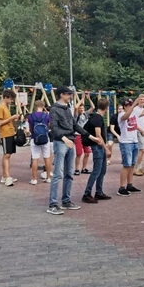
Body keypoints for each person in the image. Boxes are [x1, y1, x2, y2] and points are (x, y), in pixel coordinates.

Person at [47, 86, 103, 215]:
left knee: (69, 173)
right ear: (61, 95)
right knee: (58, 174)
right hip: (61, 143)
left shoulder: (67, 109)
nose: (70, 96)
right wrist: (64, 138)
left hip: (70, 142)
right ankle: (53, 204)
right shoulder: (54, 109)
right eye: (68, 94)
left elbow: (74, 125)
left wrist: (91, 137)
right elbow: (54, 127)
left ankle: (66, 201)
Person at [118, 95, 144, 196]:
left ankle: (130, 185)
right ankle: (121, 187)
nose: (130, 106)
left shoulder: (134, 113)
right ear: (124, 106)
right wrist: (133, 105)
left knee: (132, 165)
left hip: (134, 141)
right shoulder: (121, 114)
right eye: (128, 105)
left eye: (130, 104)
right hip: (126, 142)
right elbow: (125, 117)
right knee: (126, 165)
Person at [81, 97, 112, 204]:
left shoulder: (95, 117)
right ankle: (87, 193)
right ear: (106, 107)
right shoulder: (97, 119)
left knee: (102, 170)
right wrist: (106, 148)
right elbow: (98, 135)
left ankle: (99, 192)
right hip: (97, 147)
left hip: (98, 147)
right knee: (96, 171)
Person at [0, 90, 21, 186]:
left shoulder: (5, 107)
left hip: (10, 133)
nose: (11, 101)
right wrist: (11, 118)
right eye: (11, 99)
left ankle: (5, 176)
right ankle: (7, 177)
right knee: (7, 155)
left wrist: (13, 119)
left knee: (8, 155)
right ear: (6, 97)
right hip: (5, 134)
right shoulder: (0, 108)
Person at [26, 100, 52, 185]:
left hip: (34, 138)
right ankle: (48, 177)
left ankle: (34, 179)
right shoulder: (46, 116)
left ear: (35, 106)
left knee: (35, 158)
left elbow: (29, 130)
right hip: (45, 138)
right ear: (43, 106)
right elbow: (49, 126)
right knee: (47, 158)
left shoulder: (30, 116)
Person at [73, 92, 95, 176]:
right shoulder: (76, 115)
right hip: (78, 135)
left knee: (87, 153)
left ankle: (84, 168)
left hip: (85, 135)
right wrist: (82, 99)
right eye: (80, 108)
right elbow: (75, 107)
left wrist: (88, 99)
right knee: (79, 153)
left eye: (82, 108)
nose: (81, 109)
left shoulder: (85, 114)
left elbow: (93, 107)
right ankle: (76, 169)